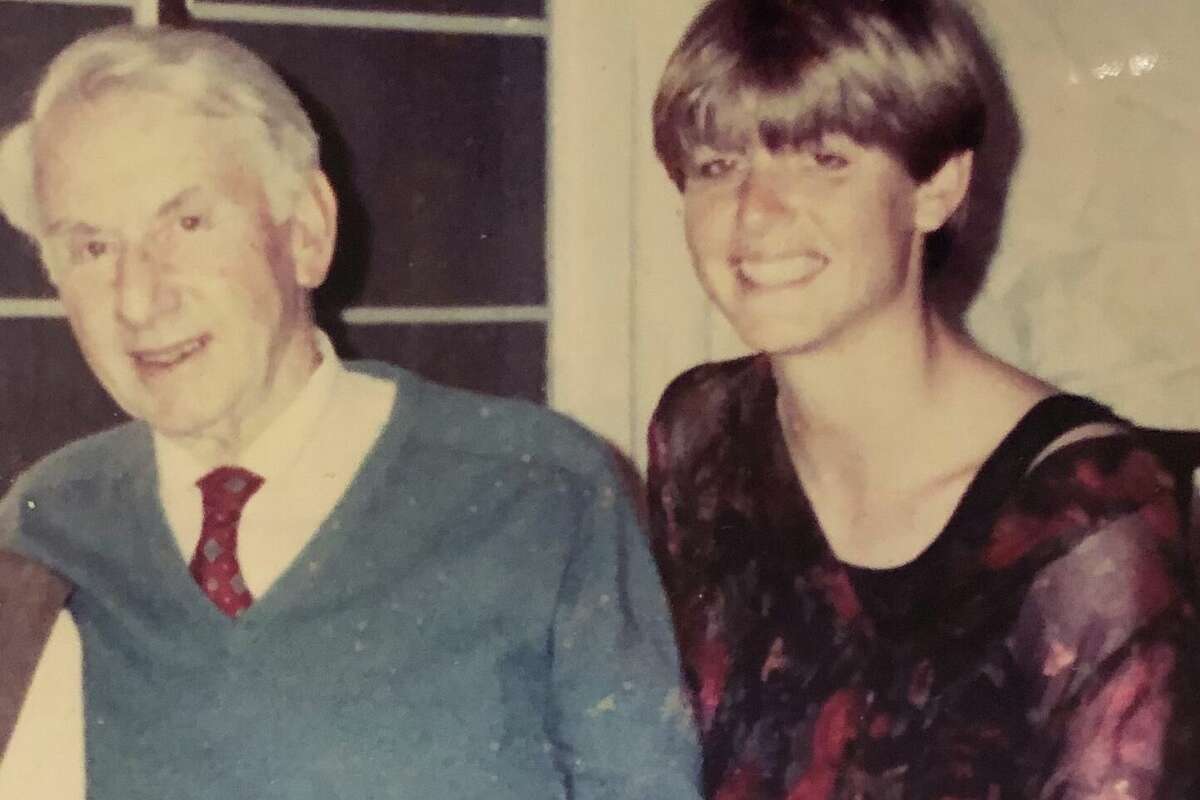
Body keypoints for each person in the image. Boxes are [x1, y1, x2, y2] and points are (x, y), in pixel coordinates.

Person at [0, 24, 699, 799]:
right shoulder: (45, 528)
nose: (138, 298)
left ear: (306, 230)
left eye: (187, 224)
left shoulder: (542, 491)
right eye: (92, 248)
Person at [645, 0, 1200, 798]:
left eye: (822, 159)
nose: (755, 213)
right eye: (718, 166)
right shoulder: (701, 430)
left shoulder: (1085, 515)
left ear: (936, 188)